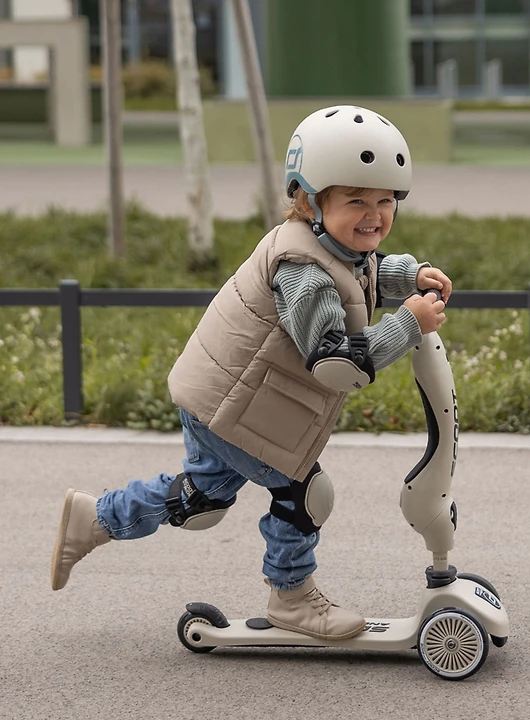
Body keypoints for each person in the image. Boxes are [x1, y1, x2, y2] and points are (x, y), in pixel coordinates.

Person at [50, 105, 452, 642]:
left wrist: (409, 274)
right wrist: (407, 323)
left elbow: (364, 271)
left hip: (224, 397)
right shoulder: (304, 273)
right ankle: (292, 597)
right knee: (305, 492)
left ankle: (94, 518)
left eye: (384, 201)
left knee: (201, 501)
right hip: (236, 408)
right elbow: (337, 361)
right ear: (310, 199)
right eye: (356, 200)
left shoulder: (328, 244)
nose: (373, 215)